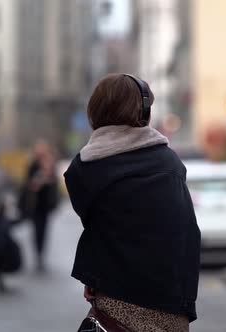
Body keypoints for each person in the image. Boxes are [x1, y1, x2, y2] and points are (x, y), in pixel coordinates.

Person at [64, 73, 201, 331]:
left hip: (116, 301)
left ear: (96, 113)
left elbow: (94, 223)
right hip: (173, 304)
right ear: (145, 111)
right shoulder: (169, 163)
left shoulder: (84, 168)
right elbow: (185, 233)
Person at [21, 139, 59, 272]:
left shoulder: (50, 164)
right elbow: (29, 184)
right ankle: (38, 255)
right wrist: (40, 179)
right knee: (36, 230)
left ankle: (41, 255)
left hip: (46, 204)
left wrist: (48, 175)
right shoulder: (33, 165)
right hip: (35, 204)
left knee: (44, 231)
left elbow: (55, 184)